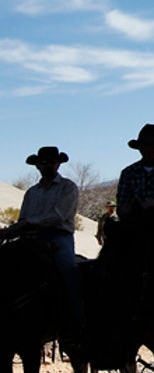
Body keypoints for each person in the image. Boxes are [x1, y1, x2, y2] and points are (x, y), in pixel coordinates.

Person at [3, 147, 84, 356]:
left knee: (68, 270)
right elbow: (23, 218)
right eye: (44, 162)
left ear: (58, 164)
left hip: (58, 237)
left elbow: (58, 217)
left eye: (52, 161)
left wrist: (27, 224)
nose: (48, 165)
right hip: (30, 238)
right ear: (38, 166)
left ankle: (75, 327)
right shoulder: (32, 192)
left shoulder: (68, 187)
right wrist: (13, 230)